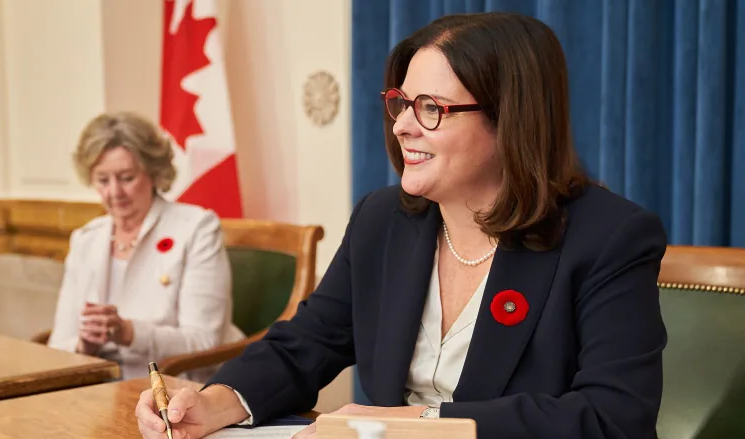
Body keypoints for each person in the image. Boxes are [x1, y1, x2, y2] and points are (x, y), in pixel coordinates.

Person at [135, 12, 667, 439]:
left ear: (510, 120)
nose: (403, 125)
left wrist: (413, 426)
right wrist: (213, 404)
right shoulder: (383, 219)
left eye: (431, 107)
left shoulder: (608, 237)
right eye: (401, 103)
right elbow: (307, 344)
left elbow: (613, 415)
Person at [47, 111, 244, 381]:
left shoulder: (196, 228)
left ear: (153, 172)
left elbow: (203, 341)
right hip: (101, 390)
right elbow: (59, 345)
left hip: (177, 389)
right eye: (103, 180)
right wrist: (84, 345)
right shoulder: (86, 240)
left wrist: (129, 332)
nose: (115, 192)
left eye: (126, 177)